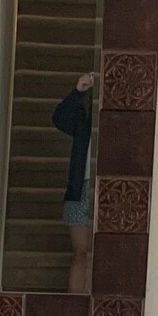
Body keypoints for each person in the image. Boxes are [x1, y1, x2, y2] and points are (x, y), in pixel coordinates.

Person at [52, 72, 96, 292]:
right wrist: (79, 91)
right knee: (81, 252)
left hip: (106, 187)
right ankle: (75, 303)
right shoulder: (84, 117)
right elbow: (59, 118)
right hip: (81, 187)